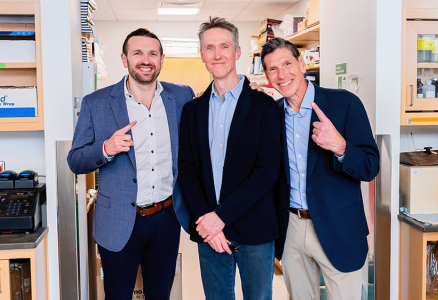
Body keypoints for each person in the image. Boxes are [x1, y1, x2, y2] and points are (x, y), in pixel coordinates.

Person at [67, 28, 194, 300]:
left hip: (166, 220)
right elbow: (75, 160)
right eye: (137, 53)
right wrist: (106, 148)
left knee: (160, 295)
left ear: (161, 59)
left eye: (152, 53)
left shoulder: (182, 97)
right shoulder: (96, 103)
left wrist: (247, 87)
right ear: (124, 59)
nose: (145, 60)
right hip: (117, 223)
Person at [261, 38, 380, 300]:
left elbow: (370, 166)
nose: (282, 74)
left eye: (287, 64)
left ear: (302, 64)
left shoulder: (344, 103)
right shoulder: (272, 114)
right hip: (292, 227)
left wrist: (340, 147)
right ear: (267, 77)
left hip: (339, 228)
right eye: (272, 69)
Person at [178, 17, 281, 300]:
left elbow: (267, 171)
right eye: (209, 48)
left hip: (254, 229)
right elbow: (186, 170)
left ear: (237, 52)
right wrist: (207, 224)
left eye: (224, 46)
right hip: (209, 233)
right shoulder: (192, 110)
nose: (217, 54)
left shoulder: (264, 107)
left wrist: (218, 218)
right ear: (202, 55)